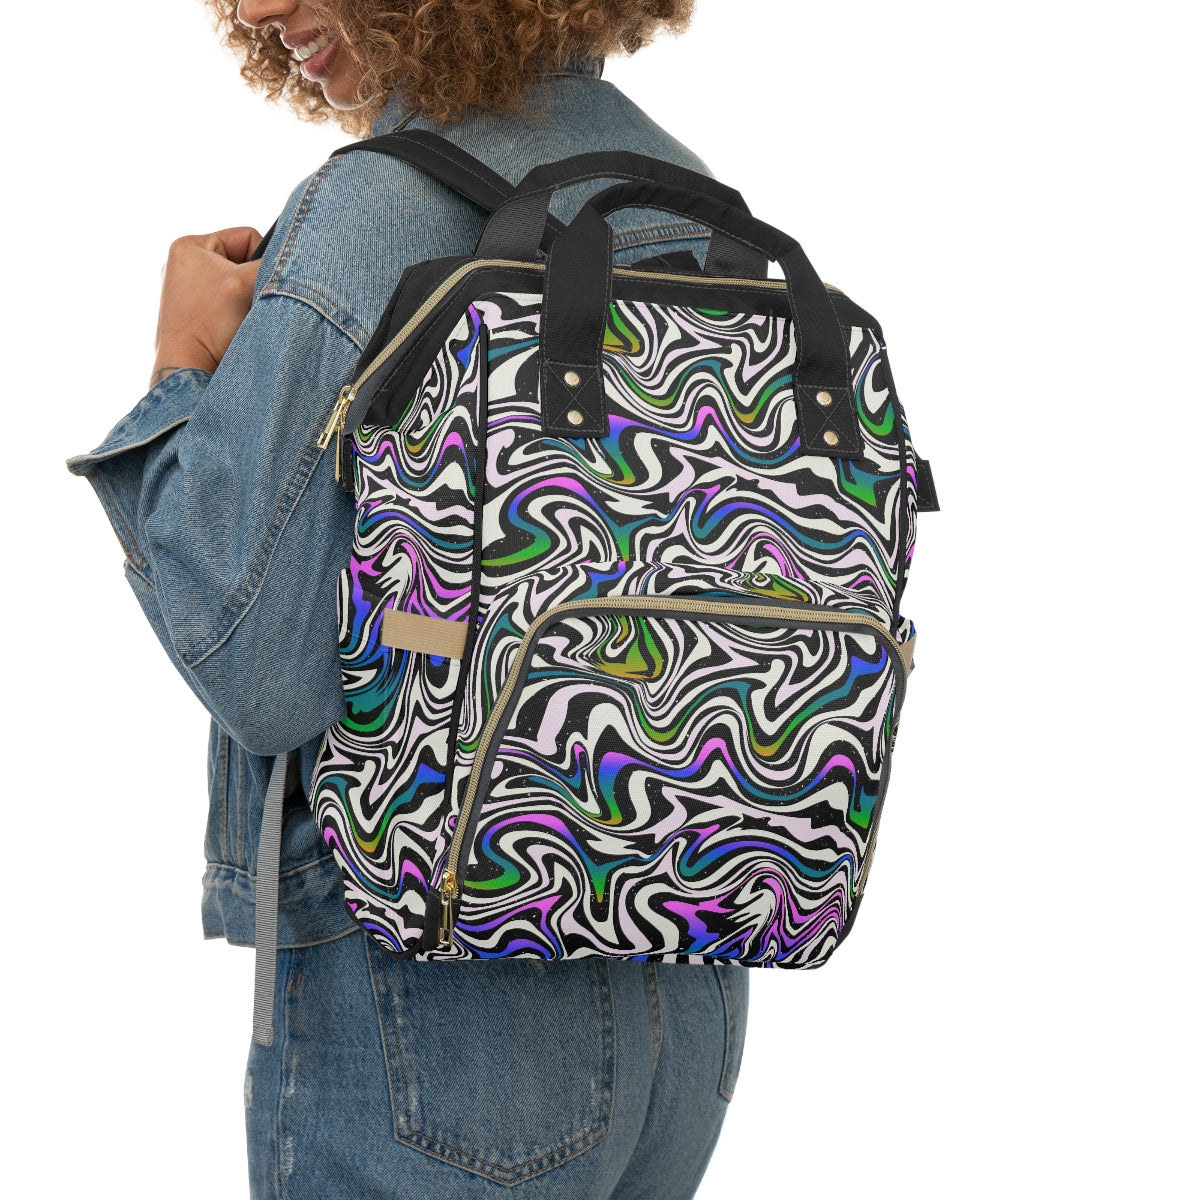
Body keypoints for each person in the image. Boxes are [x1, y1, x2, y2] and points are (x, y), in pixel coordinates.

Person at [68, 2, 749, 1197]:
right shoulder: (688, 194)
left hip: (435, 1002)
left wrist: (182, 370)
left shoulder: (372, 213)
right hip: (685, 969)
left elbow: (259, 670)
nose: (256, 8)